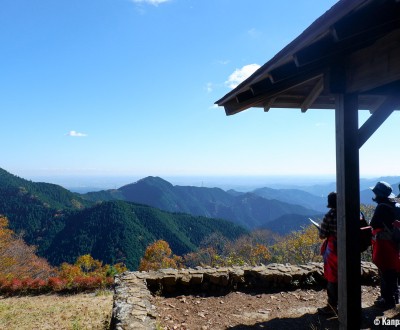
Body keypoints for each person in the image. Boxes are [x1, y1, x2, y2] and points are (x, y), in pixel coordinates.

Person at [370, 181, 400, 309]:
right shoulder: (396, 204)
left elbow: (374, 224)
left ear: (379, 194)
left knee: (385, 270)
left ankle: (387, 300)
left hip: (384, 243)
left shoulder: (382, 207)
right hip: (395, 243)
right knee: (393, 270)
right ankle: (395, 296)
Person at [317, 192, 338, 316]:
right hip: (350, 249)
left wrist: (320, 229)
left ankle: (332, 306)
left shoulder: (329, 215)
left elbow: (322, 235)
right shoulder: (353, 212)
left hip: (333, 251)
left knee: (332, 277)